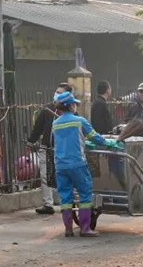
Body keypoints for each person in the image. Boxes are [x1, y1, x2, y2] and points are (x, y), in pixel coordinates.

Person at [51, 91, 117, 237]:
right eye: (74, 104)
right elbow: (95, 138)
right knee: (85, 193)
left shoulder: (55, 124)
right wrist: (109, 143)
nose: (76, 106)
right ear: (71, 106)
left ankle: (68, 229)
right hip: (77, 164)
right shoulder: (79, 121)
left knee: (66, 197)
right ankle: (85, 228)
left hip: (60, 166)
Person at [26, 82, 71, 215]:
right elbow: (38, 128)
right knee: (45, 176)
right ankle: (48, 204)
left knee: (63, 176)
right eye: (56, 92)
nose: (57, 94)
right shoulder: (47, 109)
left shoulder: (70, 113)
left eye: (60, 93)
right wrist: (30, 141)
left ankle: (66, 203)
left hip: (62, 150)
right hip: (46, 148)